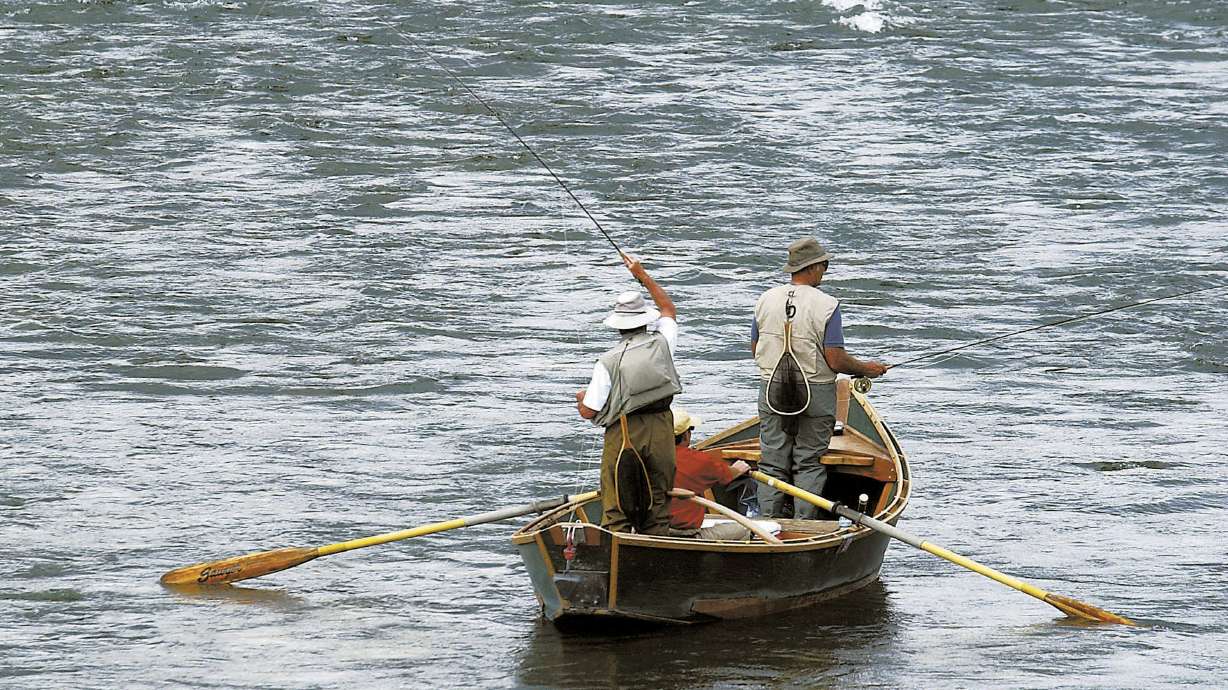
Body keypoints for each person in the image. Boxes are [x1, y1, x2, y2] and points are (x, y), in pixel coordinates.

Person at [751, 237, 887, 519]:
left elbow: (755, 348)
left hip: (771, 388)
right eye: (824, 265)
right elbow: (835, 359)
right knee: (809, 461)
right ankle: (804, 525)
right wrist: (865, 369)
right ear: (812, 267)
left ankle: (765, 523)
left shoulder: (764, 299)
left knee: (772, 462)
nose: (825, 271)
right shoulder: (827, 305)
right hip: (816, 391)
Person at [575, 254, 681, 535]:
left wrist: (580, 397)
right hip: (661, 427)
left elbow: (589, 411)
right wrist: (642, 274)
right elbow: (668, 309)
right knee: (659, 498)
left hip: (624, 433)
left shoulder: (607, 361)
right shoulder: (663, 341)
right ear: (645, 320)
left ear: (618, 324)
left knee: (616, 501)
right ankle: (658, 547)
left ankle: (620, 548)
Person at [666, 407, 753, 540]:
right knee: (745, 530)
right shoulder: (699, 460)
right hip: (687, 535)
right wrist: (738, 468)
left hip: (652, 530)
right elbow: (728, 476)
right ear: (685, 435)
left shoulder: (648, 458)